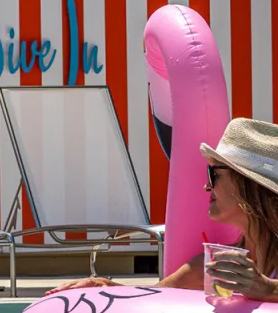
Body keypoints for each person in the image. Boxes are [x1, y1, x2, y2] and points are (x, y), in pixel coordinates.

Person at [49, 118, 278, 299]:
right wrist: (104, 285)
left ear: (248, 185)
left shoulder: (219, 270)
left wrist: (266, 289)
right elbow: (151, 298)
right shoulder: (210, 268)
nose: (206, 185)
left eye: (214, 174)